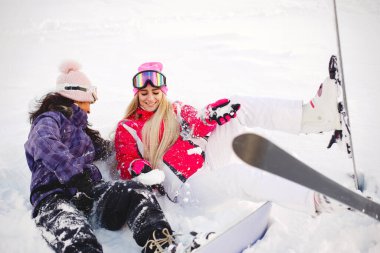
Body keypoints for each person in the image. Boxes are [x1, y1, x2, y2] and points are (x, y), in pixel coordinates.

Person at [114, 62, 344, 251]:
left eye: (155, 93)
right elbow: (126, 161)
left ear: (162, 93)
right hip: (182, 186)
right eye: (144, 93)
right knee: (241, 177)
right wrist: (139, 167)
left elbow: (199, 123)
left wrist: (212, 115)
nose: (150, 98)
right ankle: (315, 199)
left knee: (237, 105)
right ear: (136, 95)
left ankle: (310, 118)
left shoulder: (176, 109)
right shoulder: (128, 126)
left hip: (204, 160)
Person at [24, 61, 176, 253]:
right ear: (76, 98)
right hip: (53, 197)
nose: (90, 108)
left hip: (89, 195)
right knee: (76, 236)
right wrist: (76, 176)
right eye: (89, 101)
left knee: (135, 192)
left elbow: (112, 150)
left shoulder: (83, 133)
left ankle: (162, 244)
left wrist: (138, 138)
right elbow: (44, 143)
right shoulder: (48, 120)